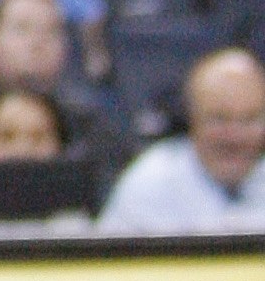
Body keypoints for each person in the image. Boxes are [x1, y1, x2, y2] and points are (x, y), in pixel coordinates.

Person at [100, 50, 265, 238]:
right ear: (191, 118)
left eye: (250, 119)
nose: (235, 137)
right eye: (220, 119)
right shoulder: (149, 183)